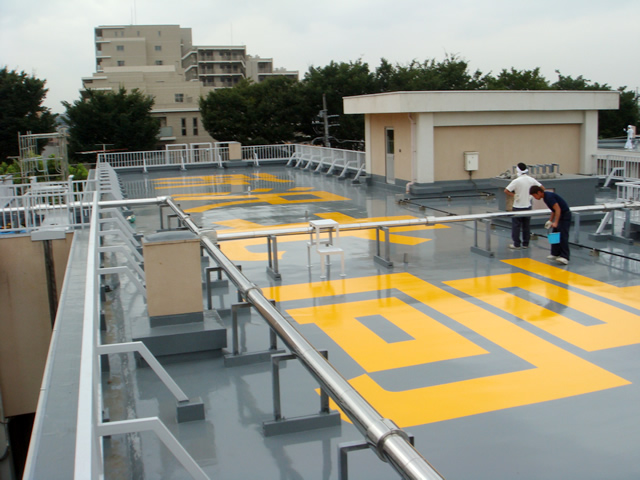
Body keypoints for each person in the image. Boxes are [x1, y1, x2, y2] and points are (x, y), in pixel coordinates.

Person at [529, 185, 571, 265]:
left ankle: (565, 257)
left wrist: (556, 222)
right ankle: (555, 253)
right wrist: (550, 220)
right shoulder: (545, 197)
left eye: (534, 196)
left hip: (564, 215)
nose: (535, 198)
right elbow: (553, 210)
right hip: (560, 215)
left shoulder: (549, 197)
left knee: (563, 236)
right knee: (554, 235)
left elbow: (558, 209)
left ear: (539, 192)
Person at [504, 163, 541, 249]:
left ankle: (516, 244)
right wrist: (532, 195)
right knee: (526, 226)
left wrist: (514, 195)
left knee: (516, 226)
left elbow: (506, 190)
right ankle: (526, 244)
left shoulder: (516, 181)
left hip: (517, 207)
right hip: (527, 206)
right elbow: (541, 187)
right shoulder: (531, 180)